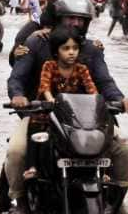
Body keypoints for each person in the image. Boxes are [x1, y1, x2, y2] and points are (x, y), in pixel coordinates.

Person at [3, 0, 128, 210]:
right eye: (70, 18)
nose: (75, 23)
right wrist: (18, 97)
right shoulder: (36, 42)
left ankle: (117, 199)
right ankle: (20, 203)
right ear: (59, 19)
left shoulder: (92, 49)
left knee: (126, 149)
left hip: (87, 121)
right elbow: (17, 78)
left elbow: (104, 82)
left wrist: (121, 100)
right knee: (16, 152)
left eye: (80, 19)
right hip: (42, 115)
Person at [21, 26, 100, 180]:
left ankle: (103, 173)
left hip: (72, 115)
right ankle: (32, 166)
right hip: (47, 112)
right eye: (66, 48)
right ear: (57, 51)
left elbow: (92, 89)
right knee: (36, 133)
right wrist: (50, 100)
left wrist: (97, 102)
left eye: (75, 48)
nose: (71, 52)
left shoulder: (82, 69)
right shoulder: (49, 66)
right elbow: (44, 86)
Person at [9, 0, 56, 66]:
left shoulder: (66, 23)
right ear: (35, 4)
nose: (46, 6)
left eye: (49, 1)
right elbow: (15, 64)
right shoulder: (27, 31)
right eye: (41, 3)